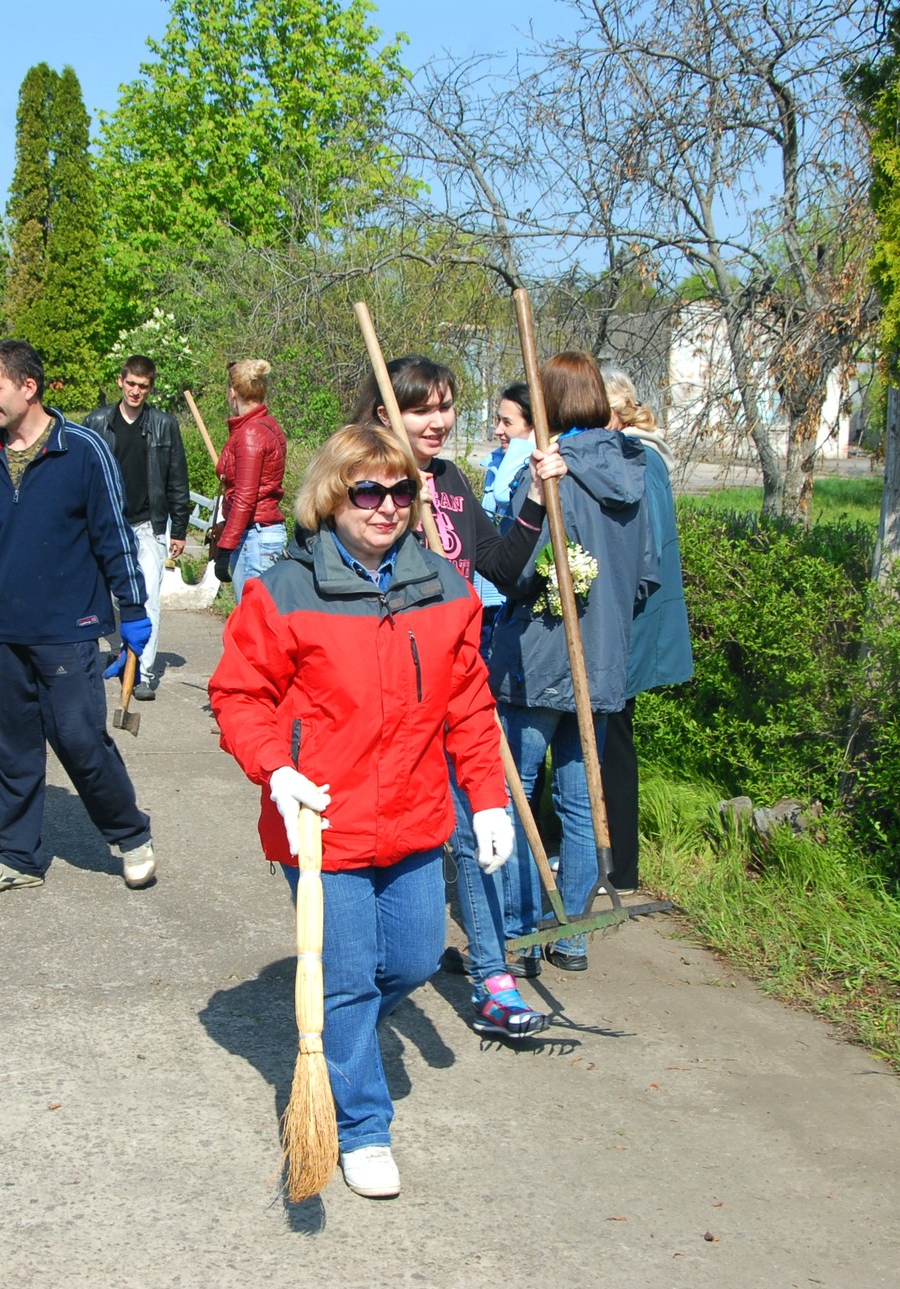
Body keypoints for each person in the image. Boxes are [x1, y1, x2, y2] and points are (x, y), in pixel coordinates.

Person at [209, 425, 513, 1199]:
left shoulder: (445, 587)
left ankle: (338, 1024)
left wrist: (487, 801)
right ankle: (363, 1127)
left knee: (411, 958)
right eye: (366, 491)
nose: (385, 506)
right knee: (346, 977)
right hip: (319, 824)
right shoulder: (284, 589)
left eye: (399, 491)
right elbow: (239, 695)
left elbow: (471, 706)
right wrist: (275, 769)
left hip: (413, 822)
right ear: (332, 496)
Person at [354, 354, 566, 1036]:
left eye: (446, 406)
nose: (439, 420)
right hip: (388, 699)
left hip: (459, 685)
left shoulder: (449, 481)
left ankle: (492, 978)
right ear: (386, 411)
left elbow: (498, 567)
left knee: (478, 832)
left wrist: (535, 496)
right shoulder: (365, 484)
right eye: (423, 408)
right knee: (385, 843)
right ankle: (363, 982)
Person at [0, 339, 159, 893]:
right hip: (4, 631)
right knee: (12, 749)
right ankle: (18, 857)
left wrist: (134, 610)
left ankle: (132, 835)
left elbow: (114, 538)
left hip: (68, 630)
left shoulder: (84, 451)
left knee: (81, 742)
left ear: (29, 386)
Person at [492, 352, 661, 972]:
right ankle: (571, 934)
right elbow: (646, 576)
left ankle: (516, 927)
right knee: (580, 802)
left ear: (551, 404)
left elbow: (516, 563)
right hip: (603, 663)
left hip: (539, 660)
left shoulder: (551, 472)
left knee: (515, 794)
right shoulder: (636, 474)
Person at [599, 364, 693, 893]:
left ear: (613, 408)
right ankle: (611, 859)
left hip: (630, 622)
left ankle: (623, 866)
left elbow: (643, 553)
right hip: (628, 619)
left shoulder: (640, 458)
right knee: (613, 736)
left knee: (614, 739)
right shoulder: (639, 453)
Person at [82, 355, 192, 698]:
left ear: (150, 388)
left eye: (143, 386)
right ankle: (123, 647)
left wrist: (179, 530)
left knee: (148, 601)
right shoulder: (97, 422)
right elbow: (80, 475)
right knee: (108, 597)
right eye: (131, 384)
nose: (135, 391)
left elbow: (177, 478)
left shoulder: (164, 425)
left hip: (149, 526)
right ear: (120, 381)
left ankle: (141, 671)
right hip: (107, 523)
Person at [211, 359, 287, 585]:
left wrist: (225, 547)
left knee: (253, 618)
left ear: (233, 392)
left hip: (255, 537)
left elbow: (245, 497)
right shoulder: (266, 424)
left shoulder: (250, 433)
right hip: (261, 534)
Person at [475, 382, 538, 650]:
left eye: (507, 423)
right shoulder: (496, 461)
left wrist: (525, 447)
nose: (498, 430)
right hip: (484, 594)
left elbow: (504, 495)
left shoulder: (526, 462)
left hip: (504, 597)